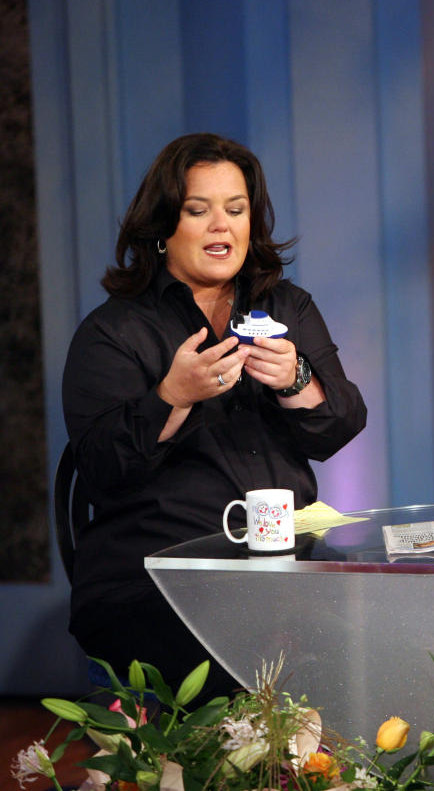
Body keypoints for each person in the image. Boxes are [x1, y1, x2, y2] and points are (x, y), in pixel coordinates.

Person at [63, 133, 367, 697]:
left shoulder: (285, 306)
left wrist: (295, 378)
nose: (221, 226)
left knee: (373, 637)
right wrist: (173, 395)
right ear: (161, 228)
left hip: (282, 568)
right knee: (228, 654)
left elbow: (341, 426)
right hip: (154, 578)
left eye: (236, 209)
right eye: (198, 211)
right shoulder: (113, 331)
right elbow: (102, 468)